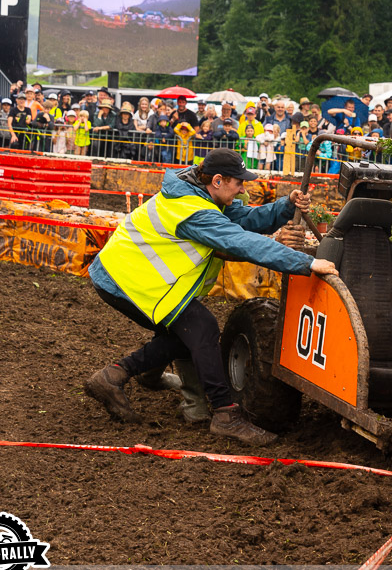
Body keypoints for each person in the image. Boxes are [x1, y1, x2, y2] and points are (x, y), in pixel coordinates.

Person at [84, 149, 339, 443]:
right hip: (124, 280)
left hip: (129, 276)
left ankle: (121, 376)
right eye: (238, 183)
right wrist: (306, 263)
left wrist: (285, 206)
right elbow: (240, 241)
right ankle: (225, 415)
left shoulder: (200, 194)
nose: (242, 189)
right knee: (201, 328)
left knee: (186, 333)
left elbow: (245, 218)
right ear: (217, 180)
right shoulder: (194, 211)